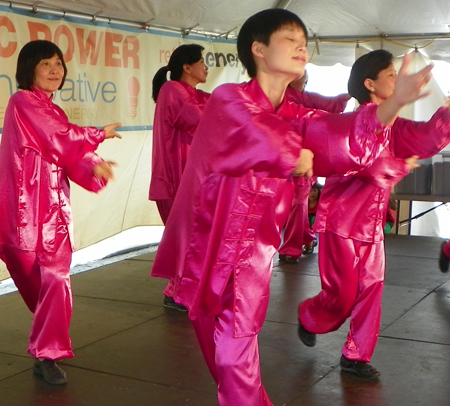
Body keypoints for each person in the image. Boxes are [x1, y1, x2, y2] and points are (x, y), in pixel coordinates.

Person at [151, 9, 433, 406]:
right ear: (258, 49)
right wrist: (291, 152)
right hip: (206, 246)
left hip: (252, 251)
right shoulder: (228, 98)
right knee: (224, 356)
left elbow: (334, 134)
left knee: (236, 346)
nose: (301, 45)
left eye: (303, 39)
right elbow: (256, 131)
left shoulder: (295, 113)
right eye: (289, 38)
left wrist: (395, 103)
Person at [298, 49, 450, 380]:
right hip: (340, 223)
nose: (398, 81)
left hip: (371, 226)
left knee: (372, 287)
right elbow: (368, 164)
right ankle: (310, 316)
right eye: (391, 76)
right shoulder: (353, 123)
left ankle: (356, 355)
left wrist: (448, 113)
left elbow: (425, 137)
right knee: (342, 295)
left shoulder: (393, 123)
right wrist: (399, 166)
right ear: (370, 83)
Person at [0, 40, 121, 385]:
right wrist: (98, 134)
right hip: (21, 214)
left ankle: (47, 353)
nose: (55, 71)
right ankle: (48, 339)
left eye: (58, 64)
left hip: (52, 215)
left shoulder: (54, 111)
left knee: (56, 282)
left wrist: (94, 166)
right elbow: (62, 140)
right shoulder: (22, 102)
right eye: (46, 64)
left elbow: (69, 154)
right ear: (29, 70)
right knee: (37, 286)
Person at [149, 44, 210, 311]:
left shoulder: (193, 93)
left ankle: (184, 290)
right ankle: (176, 292)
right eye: (202, 61)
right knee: (185, 238)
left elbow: (222, 104)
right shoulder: (172, 90)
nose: (206, 67)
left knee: (193, 237)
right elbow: (197, 118)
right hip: (174, 180)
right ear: (187, 67)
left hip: (188, 180)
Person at [278, 75, 349, 264]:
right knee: (293, 203)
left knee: (298, 202)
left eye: (305, 74)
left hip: (305, 158)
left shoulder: (308, 98)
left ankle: (291, 248)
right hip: (282, 156)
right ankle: (308, 238)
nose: (304, 77)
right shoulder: (279, 97)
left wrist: (352, 92)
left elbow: (332, 104)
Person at [302, 182, 322, 254]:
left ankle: (310, 244)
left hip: (314, 221)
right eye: (310, 191)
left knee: (312, 220)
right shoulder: (304, 202)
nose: (312, 193)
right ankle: (310, 242)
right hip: (305, 220)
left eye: (314, 191)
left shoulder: (320, 202)